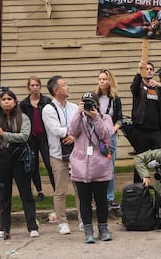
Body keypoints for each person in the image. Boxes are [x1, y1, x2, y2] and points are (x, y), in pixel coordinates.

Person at [0, 88, 39, 240]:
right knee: (3, 194)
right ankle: (4, 228)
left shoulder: (23, 118)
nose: (6, 102)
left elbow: (23, 136)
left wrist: (5, 135)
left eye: (9, 99)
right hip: (0, 157)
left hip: (19, 158)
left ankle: (32, 226)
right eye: (3, 99)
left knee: (26, 193)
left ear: (15, 102)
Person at [68, 91, 116, 243]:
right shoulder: (78, 118)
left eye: (90, 103)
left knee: (101, 200)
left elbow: (106, 134)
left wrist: (95, 118)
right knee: (84, 200)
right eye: (85, 103)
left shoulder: (105, 118)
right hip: (80, 166)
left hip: (100, 166)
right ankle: (88, 230)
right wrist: (78, 113)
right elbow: (72, 132)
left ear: (96, 105)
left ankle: (103, 228)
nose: (88, 106)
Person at [41, 76, 78, 234]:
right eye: (64, 85)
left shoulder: (74, 107)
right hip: (58, 155)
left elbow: (80, 125)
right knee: (61, 190)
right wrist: (72, 131)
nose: (68, 87)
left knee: (80, 189)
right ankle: (62, 221)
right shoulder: (48, 109)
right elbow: (56, 130)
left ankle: (84, 219)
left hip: (77, 153)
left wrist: (74, 134)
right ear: (56, 90)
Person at [127, 60, 161, 153]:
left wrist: (160, 87)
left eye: (151, 69)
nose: (149, 71)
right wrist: (139, 71)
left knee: (158, 157)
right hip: (141, 128)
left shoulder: (157, 88)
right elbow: (134, 87)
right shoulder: (140, 87)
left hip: (156, 129)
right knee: (141, 156)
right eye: (146, 69)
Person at [94, 69, 124, 212]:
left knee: (109, 166)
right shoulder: (94, 97)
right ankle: (96, 196)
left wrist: (113, 129)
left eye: (104, 79)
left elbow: (119, 118)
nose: (102, 81)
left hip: (110, 136)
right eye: (100, 79)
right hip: (96, 135)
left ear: (109, 81)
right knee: (96, 165)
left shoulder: (115, 99)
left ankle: (109, 197)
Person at [20, 75, 54, 199]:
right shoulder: (24, 104)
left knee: (49, 164)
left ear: (40, 86)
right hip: (31, 138)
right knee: (33, 167)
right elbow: (21, 121)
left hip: (45, 137)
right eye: (32, 85)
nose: (35, 88)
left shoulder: (47, 101)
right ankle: (40, 191)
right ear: (28, 87)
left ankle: (57, 190)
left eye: (37, 85)